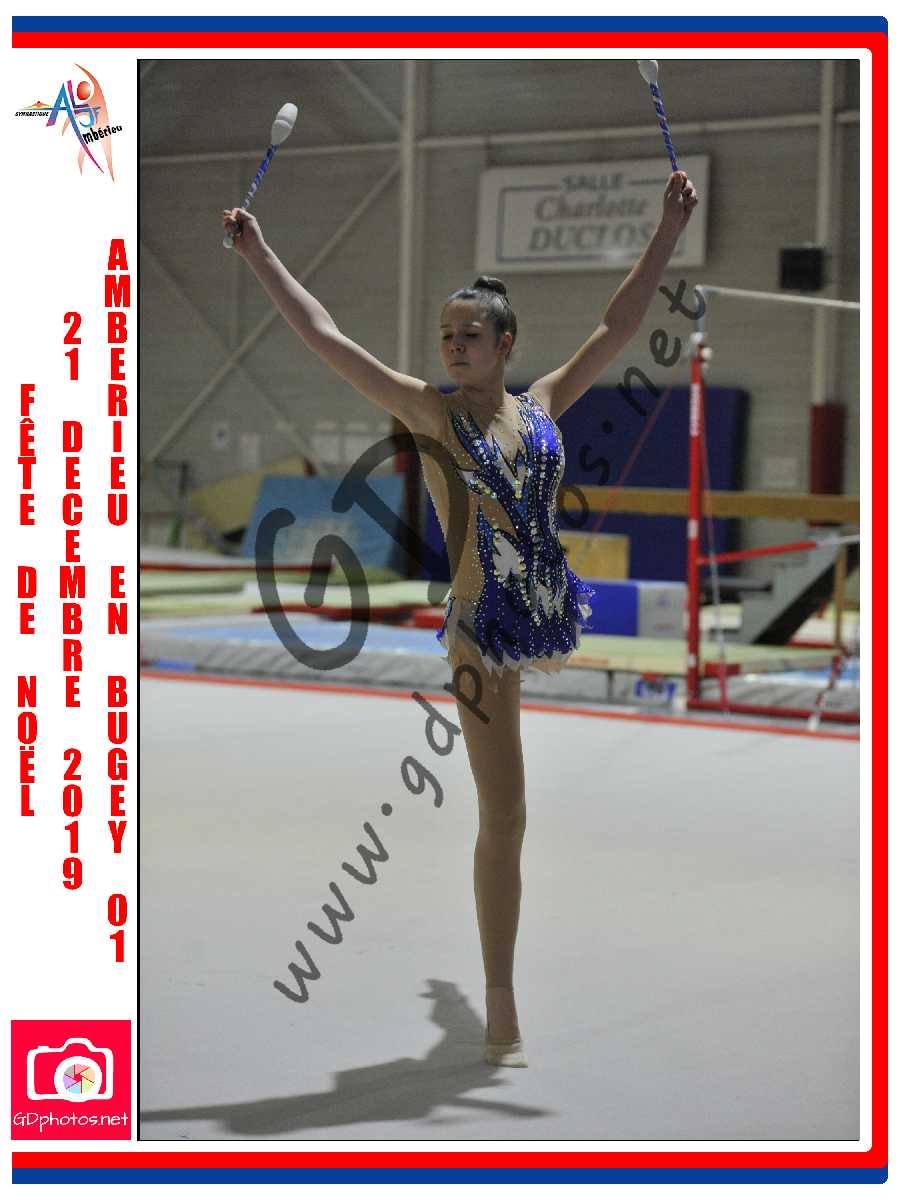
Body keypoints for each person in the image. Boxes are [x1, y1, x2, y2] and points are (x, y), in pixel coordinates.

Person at [222, 169, 698, 1067]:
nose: (451, 346)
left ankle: (471, 999)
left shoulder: (542, 405)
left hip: (544, 612)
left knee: (512, 813)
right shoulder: (429, 413)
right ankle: (500, 999)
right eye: (445, 335)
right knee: (505, 811)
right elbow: (325, 335)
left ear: (505, 342)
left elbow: (618, 326)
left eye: (468, 335)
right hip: (482, 628)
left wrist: (669, 230)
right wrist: (259, 254)